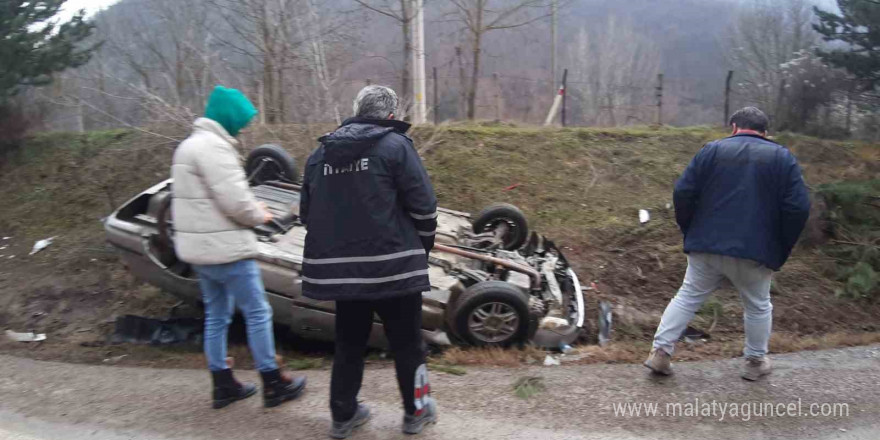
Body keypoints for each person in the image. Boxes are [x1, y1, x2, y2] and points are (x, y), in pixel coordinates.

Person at [299, 85, 438, 438]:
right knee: (407, 343)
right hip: (394, 267)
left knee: (349, 344)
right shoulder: (396, 146)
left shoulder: (320, 155)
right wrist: (422, 246)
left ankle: (343, 417)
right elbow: (424, 206)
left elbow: (307, 214)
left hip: (345, 274)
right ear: (390, 116)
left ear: (357, 110)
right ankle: (416, 412)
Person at [643, 107, 811, 381]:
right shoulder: (782, 157)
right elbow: (798, 207)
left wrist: (691, 231)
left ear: (733, 127)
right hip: (755, 250)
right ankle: (755, 362)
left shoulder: (711, 150)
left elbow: (683, 192)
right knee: (757, 305)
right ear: (765, 133)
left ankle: (660, 353)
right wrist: (780, 246)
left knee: (687, 296)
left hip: (706, 244)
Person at [171, 85, 306, 409]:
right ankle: (273, 382)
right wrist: (259, 212)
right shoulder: (215, 149)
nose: (243, 127)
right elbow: (236, 203)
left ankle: (222, 384)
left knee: (217, 315)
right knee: (259, 312)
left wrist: (248, 205)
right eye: (241, 121)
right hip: (227, 251)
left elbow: (206, 200)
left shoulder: (187, 147)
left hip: (201, 253)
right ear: (228, 117)